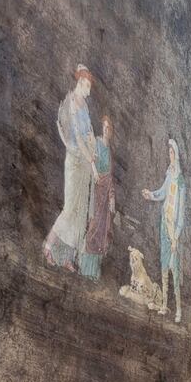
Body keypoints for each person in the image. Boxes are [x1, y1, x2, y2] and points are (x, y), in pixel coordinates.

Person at [44, 65, 97, 270]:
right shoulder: (72, 104)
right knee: (69, 210)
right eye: (87, 86)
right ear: (80, 83)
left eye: (89, 87)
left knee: (80, 213)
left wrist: (94, 151)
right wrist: (91, 163)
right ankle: (49, 246)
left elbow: (89, 133)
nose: (89, 91)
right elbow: (78, 139)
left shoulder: (84, 105)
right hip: (76, 161)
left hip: (85, 161)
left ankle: (66, 257)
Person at [142, 139, 186, 323]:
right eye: (168, 153)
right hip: (163, 223)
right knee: (163, 266)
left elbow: (182, 214)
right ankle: (165, 305)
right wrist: (151, 195)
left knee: (174, 269)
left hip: (173, 230)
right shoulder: (169, 175)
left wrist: (176, 236)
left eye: (172, 153)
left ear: (176, 155)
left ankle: (179, 310)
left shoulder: (181, 182)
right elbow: (162, 193)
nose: (170, 156)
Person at [79, 115, 115, 281]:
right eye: (104, 127)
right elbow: (92, 161)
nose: (106, 130)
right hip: (97, 190)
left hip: (106, 195)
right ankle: (85, 268)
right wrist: (95, 173)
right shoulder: (97, 143)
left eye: (109, 128)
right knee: (93, 227)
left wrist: (112, 198)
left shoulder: (109, 150)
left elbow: (111, 177)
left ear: (112, 132)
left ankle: (94, 273)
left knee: (102, 232)